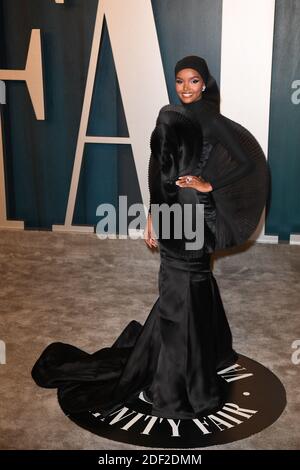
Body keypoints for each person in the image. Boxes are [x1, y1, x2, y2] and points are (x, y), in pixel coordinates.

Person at [32, 56, 268, 421]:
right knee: (183, 282)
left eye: (193, 81)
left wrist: (209, 185)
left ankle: (178, 377)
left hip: (197, 210)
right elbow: (159, 172)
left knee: (188, 281)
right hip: (173, 211)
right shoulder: (170, 116)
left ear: (205, 83)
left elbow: (248, 164)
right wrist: (154, 215)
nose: (186, 88)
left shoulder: (212, 120)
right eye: (180, 81)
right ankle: (202, 353)